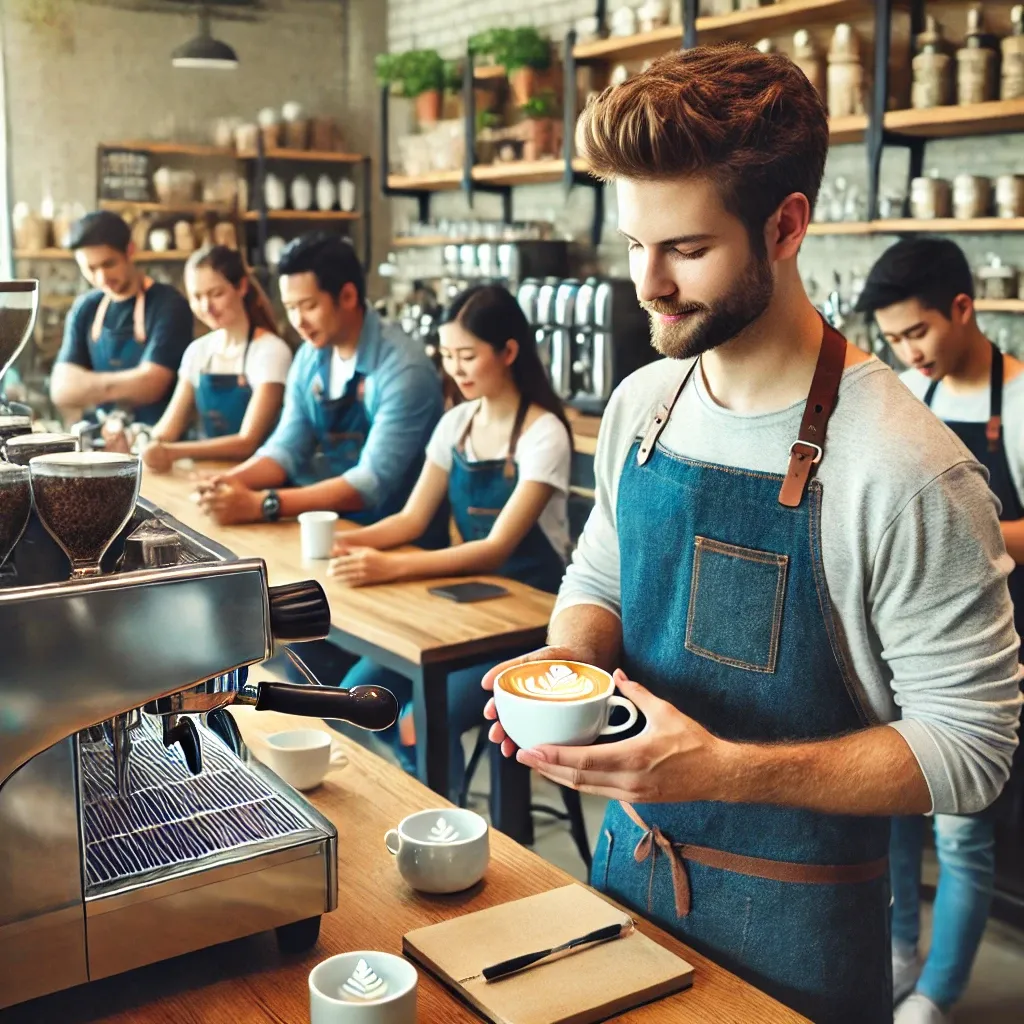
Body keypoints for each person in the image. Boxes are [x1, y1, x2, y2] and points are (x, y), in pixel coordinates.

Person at [479, 45, 1022, 1024]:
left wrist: (725, 769)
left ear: (785, 225)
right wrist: (562, 670)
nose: (645, 284)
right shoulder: (645, 402)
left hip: (799, 941)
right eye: (632, 245)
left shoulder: (905, 467)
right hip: (621, 875)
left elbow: (970, 748)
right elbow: (600, 573)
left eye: (684, 250)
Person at [856, 237, 1024, 1024]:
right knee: (890, 805)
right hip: (900, 643)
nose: (906, 353)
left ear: (963, 308)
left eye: (916, 333)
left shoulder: (1019, 402)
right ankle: (894, 951)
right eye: (892, 341)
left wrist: (954, 526)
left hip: (988, 648)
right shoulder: (907, 396)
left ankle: (936, 995)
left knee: (961, 834)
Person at [327, 284, 572, 784]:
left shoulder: (544, 433)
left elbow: (495, 548)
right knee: (362, 699)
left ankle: (446, 817)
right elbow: (413, 520)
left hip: (531, 614)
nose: (455, 368)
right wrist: (351, 541)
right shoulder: (456, 423)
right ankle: (439, 792)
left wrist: (390, 565)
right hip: (471, 601)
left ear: (507, 352)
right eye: (446, 356)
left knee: (420, 716)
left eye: (468, 355)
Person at [195, 233, 444, 541]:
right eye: (290, 307)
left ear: (348, 296)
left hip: (400, 546)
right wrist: (228, 482)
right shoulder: (310, 357)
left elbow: (369, 482)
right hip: (327, 531)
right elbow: (286, 448)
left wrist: (264, 504)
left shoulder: (403, 369)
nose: (298, 321)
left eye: (308, 306)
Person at [139, 246, 292, 473]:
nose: (206, 307)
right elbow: (166, 431)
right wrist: (143, 439)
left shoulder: (271, 351)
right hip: (204, 476)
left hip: (256, 477)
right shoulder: (197, 351)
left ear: (241, 286)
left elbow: (247, 442)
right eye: (197, 297)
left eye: (216, 294)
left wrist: (174, 452)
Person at [50, 210, 194, 437]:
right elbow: (61, 390)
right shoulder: (86, 308)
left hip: (160, 441)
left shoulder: (168, 304)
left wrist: (86, 385)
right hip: (103, 441)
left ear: (130, 250)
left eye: (108, 264)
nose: (101, 278)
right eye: (91, 268)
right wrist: (128, 382)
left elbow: (152, 385)